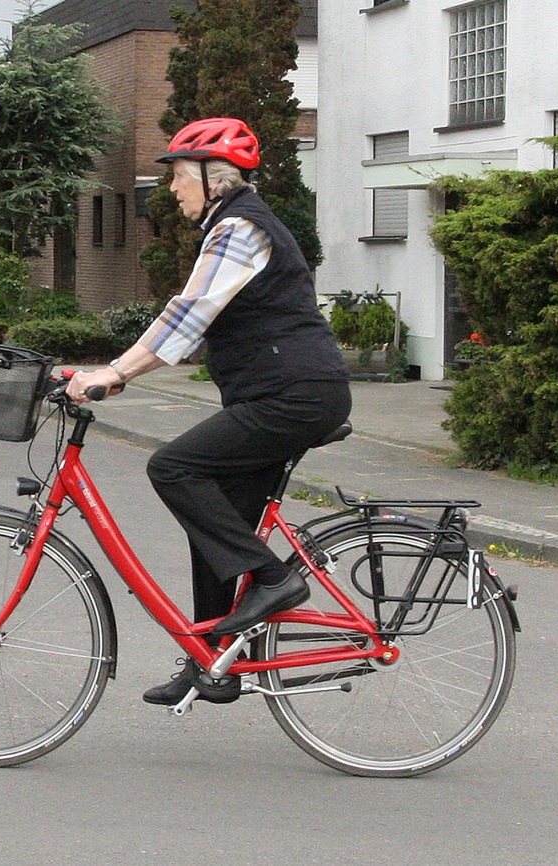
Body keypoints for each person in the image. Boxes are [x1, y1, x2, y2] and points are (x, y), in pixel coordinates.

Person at [65, 117, 352, 706]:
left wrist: (116, 372)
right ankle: (217, 664)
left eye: (176, 174)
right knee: (216, 520)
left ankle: (275, 579)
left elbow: (188, 313)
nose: (171, 188)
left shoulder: (240, 228)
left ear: (211, 176)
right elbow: (197, 321)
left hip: (293, 396)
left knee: (173, 468)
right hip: (282, 394)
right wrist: (114, 372)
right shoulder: (232, 225)